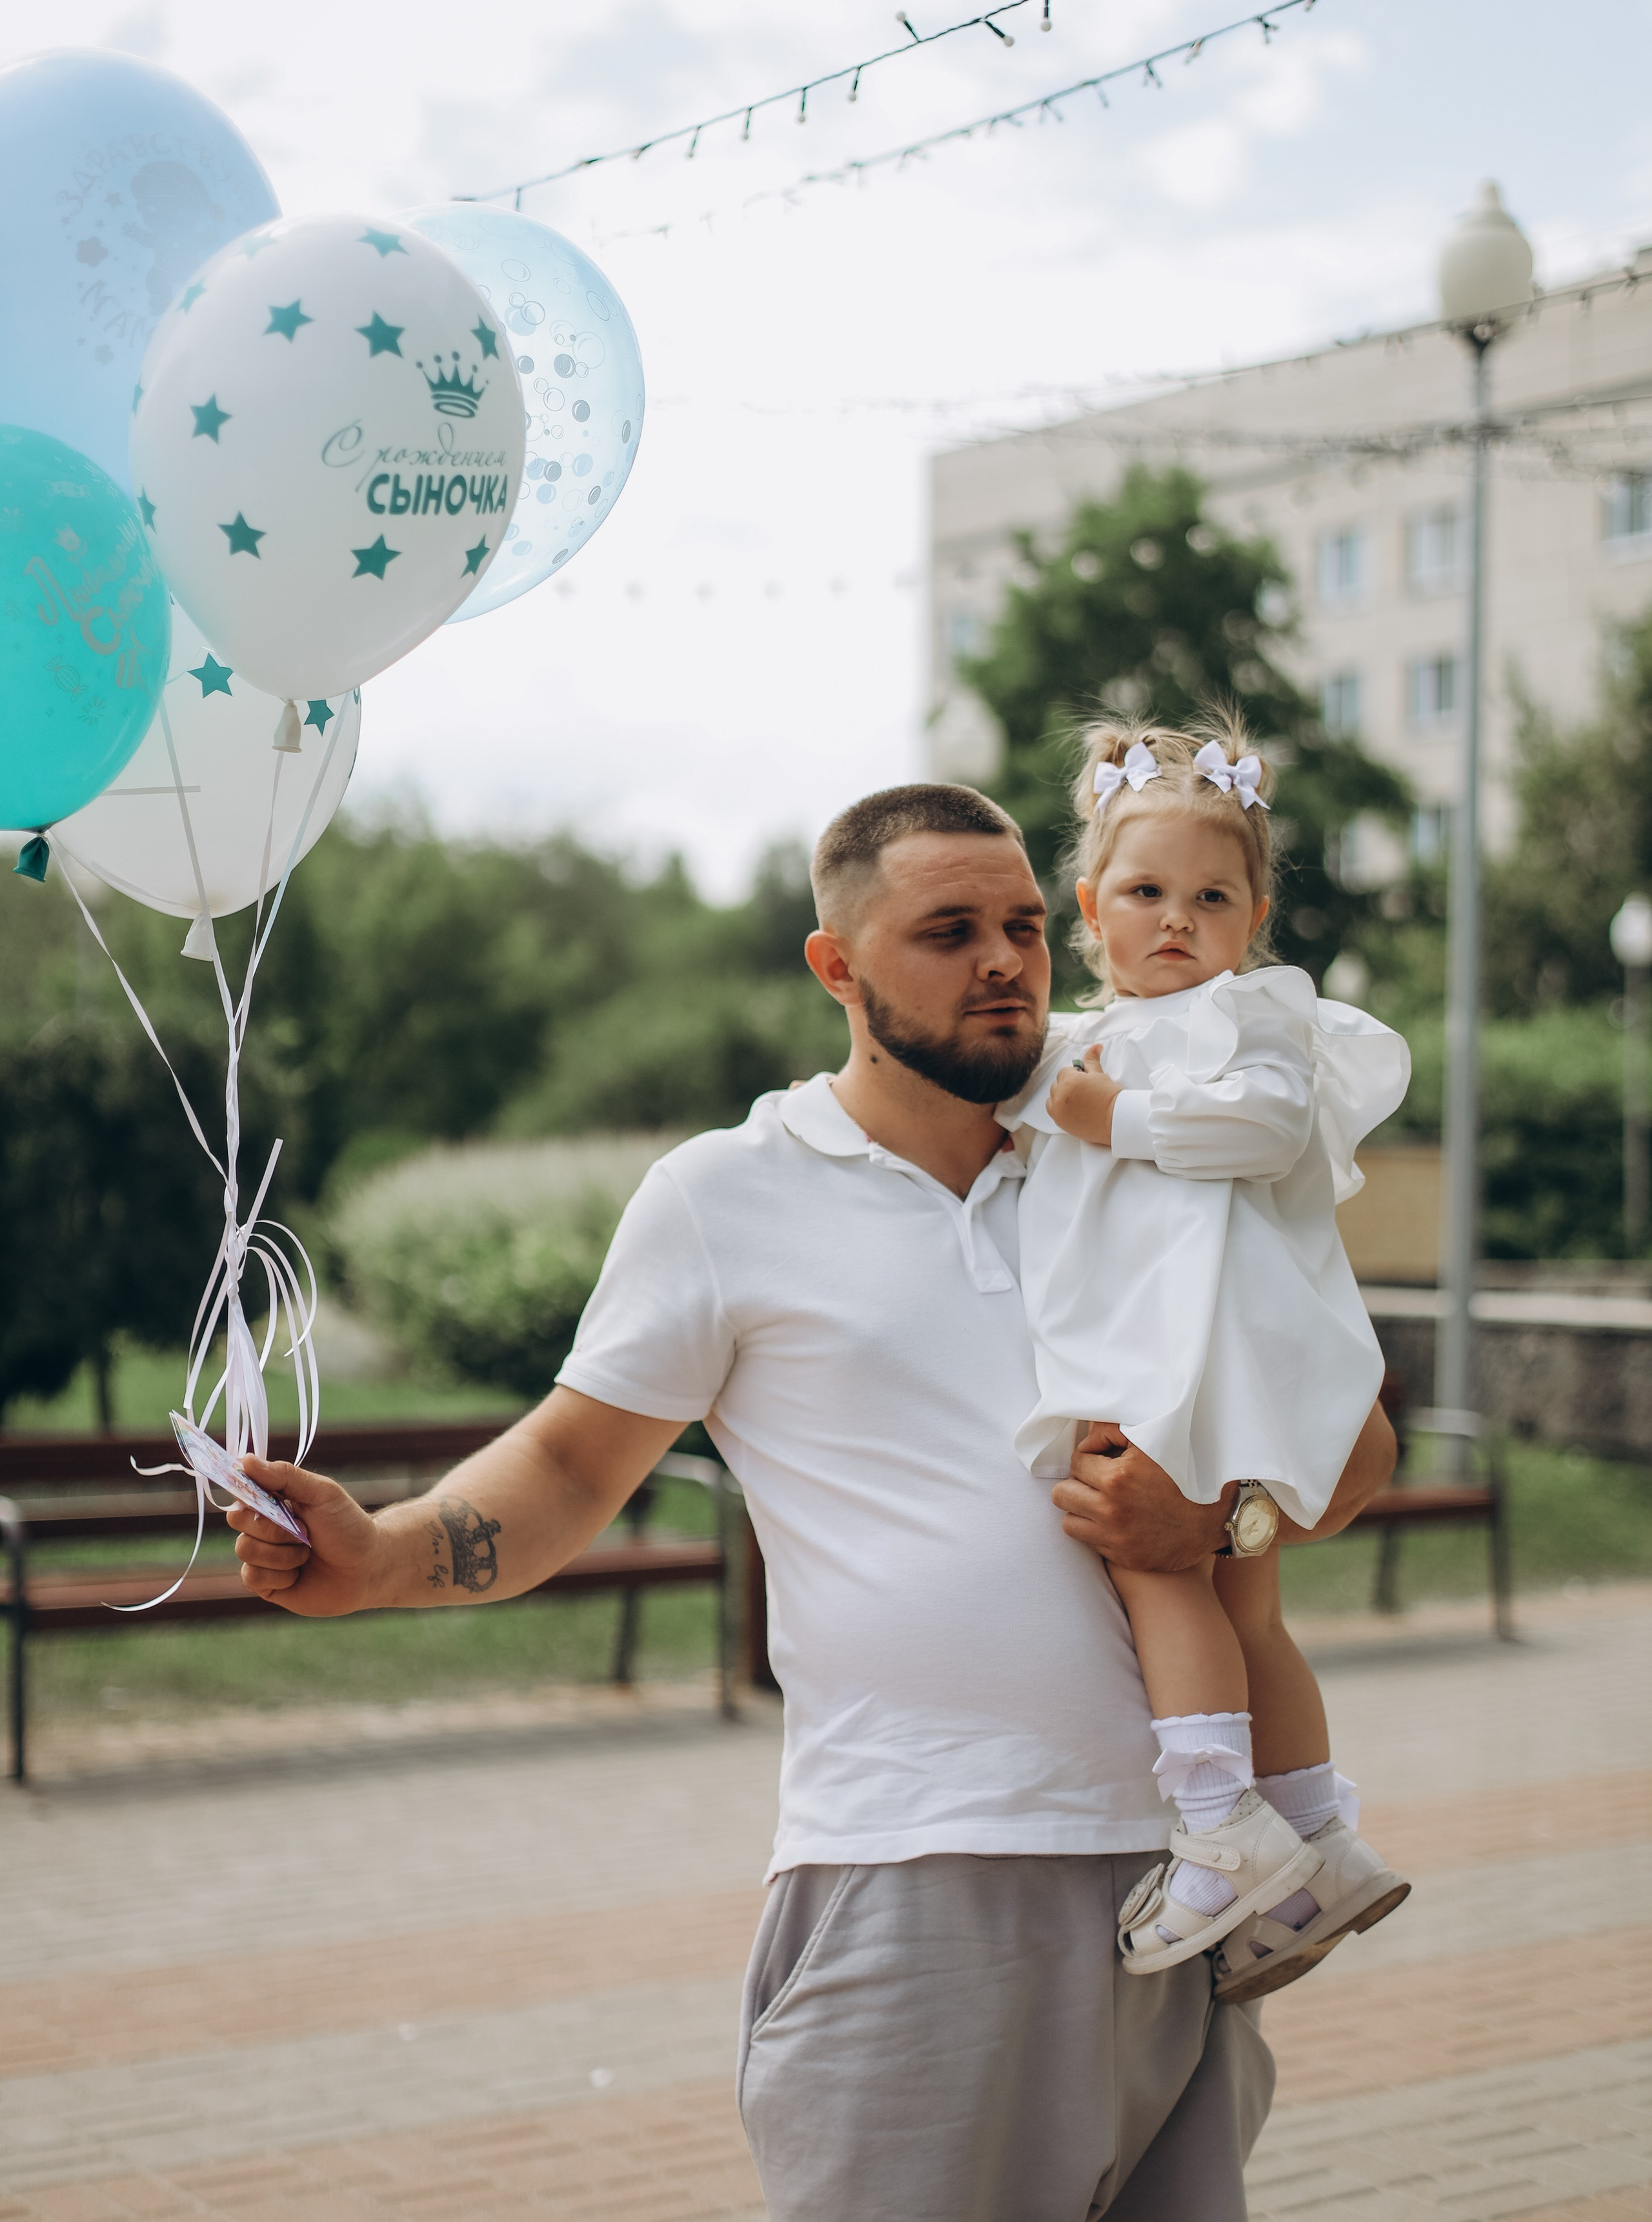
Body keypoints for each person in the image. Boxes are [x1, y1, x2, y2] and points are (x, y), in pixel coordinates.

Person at [228, 780, 1396, 2222]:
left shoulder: (1151, 1149)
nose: (1003, 961)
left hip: (1190, 1885)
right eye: (948, 930)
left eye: (1026, 926)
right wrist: (384, 1555)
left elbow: (1352, 1456)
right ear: (835, 967)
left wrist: (1217, 1527)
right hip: (922, 1877)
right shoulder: (725, 1195)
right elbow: (575, 1465)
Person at [1001, 722, 1411, 2002]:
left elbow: (1266, 1125)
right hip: (1171, 1340)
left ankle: (1216, 1825)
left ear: (1254, 918)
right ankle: (1316, 1830)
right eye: (1144, 893)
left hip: (1196, 1348)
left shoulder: (1254, 1021)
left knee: (1155, 1564)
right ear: (1088, 909)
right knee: (1245, 1606)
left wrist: (1110, 1116)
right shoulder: (1073, 1040)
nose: (1174, 921)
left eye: (1209, 897)